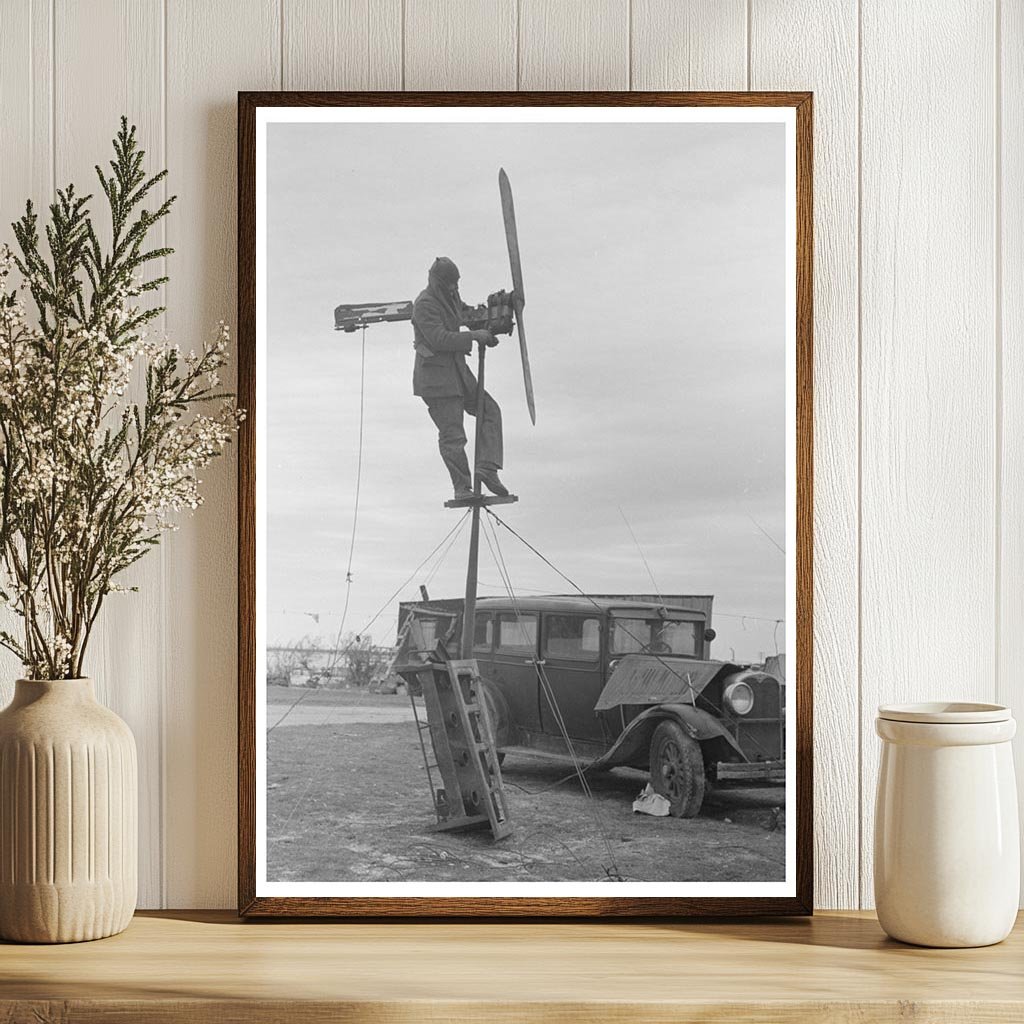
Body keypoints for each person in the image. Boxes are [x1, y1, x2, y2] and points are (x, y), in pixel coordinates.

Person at [412, 256, 509, 500]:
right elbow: (439, 338)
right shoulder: (424, 304)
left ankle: (487, 468)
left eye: (456, 284)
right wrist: (475, 336)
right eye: (450, 284)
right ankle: (462, 488)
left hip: (457, 373)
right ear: (438, 282)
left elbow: (465, 316)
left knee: (490, 410)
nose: (455, 288)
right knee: (453, 436)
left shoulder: (450, 297)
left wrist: (498, 313)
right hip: (436, 380)